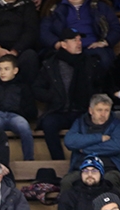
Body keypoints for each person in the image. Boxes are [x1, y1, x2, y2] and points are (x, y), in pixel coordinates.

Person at [32, 28, 106, 161]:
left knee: (92, 125)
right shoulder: (51, 64)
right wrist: (52, 96)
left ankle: (87, 163)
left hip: (83, 111)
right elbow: (37, 89)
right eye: (74, 40)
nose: (79, 43)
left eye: (79, 39)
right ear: (64, 44)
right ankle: (59, 161)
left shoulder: (90, 62)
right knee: (49, 124)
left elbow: (100, 86)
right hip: (59, 110)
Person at [40, 0, 120, 71]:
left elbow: (116, 28)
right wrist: (58, 44)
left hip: (93, 48)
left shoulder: (99, 6)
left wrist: (104, 42)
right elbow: (44, 31)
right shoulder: (55, 9)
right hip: (66, 50)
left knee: (102, 59)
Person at [62, 93, 120, 192]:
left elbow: (117, 146)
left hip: (109, 168)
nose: (103, 114)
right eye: (99, 110)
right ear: (91, 110)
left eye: (106, 110)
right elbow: (69, 141)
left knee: (110, 180)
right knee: (67, 181)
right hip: (83, 169)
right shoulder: (80, 122)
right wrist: (99, 138)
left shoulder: (117, 124)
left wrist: (84, 148)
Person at [0, 54, 37, 161]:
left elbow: (32, 110)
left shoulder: (23, 86)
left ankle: (29, 161)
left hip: (16, 115)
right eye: (0, 69)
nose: (2, 72)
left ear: (15, 70)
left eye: (6, 69)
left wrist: (20, 111)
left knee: (24, 126)